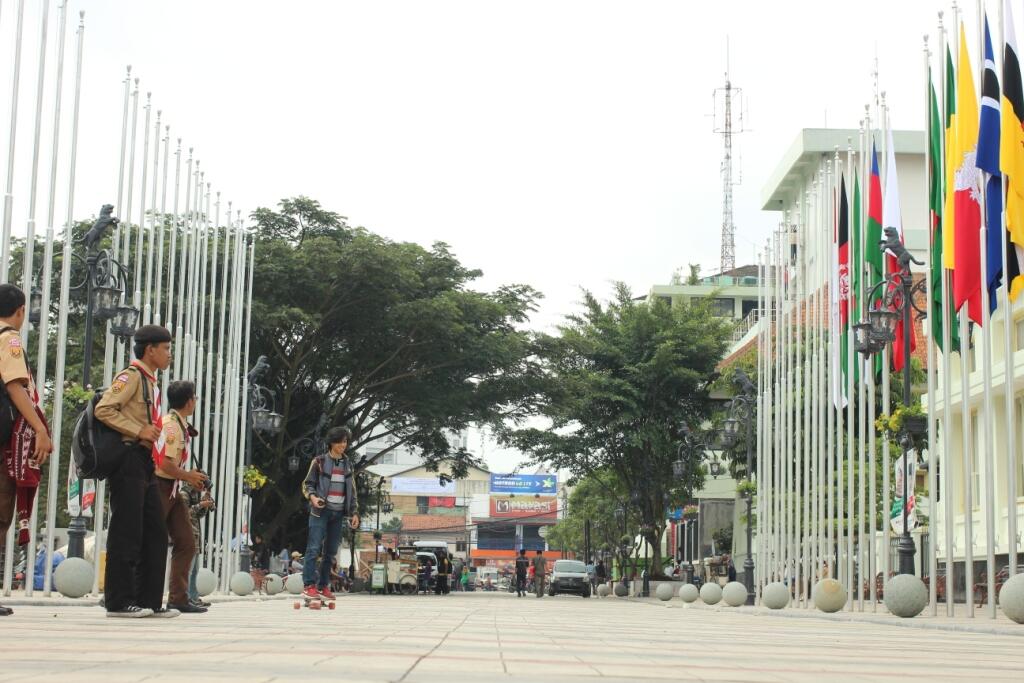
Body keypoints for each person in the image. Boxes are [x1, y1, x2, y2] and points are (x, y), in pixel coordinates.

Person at [96, 324, 175, 618]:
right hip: (128, 458)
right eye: (166, 348)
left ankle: (149, 600)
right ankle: (118, 601)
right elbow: (103, 409)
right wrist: (138, 429)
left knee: (155, 530)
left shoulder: (149, 381)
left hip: (144, 462)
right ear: (150, 349)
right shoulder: (130, 376)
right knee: (126, 530)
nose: (169, 354)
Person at [0, 285, 52, 616]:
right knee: (1, 512)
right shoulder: (10, 339)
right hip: (4, 438)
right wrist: (39, 428)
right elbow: (15, 386)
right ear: (20, 311)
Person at [155, 380, 208, 614]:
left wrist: (187, 477)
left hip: (174, 487)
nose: (195, 401)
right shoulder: (171, 427)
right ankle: (142, 592)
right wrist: (189, 476)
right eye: (195, 398)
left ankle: (178, 597)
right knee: (153, 540)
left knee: (186, 541)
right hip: (161, 485)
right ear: (189, 401)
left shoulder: (179, 424)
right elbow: (164, 464)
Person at [300, 426, 359, 602]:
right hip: (320, 511)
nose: (343, 445)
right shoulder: (319, 461)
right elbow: (307, 484)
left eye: (346, 442)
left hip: (338, 514)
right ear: (332, 443)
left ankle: (323, 585)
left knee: (330, 552)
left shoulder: (348, 464)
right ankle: (309, 586)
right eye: (340, 441)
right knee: (313, 548)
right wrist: (313, 498)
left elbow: (353, 491)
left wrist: (354, 512)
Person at [180, 481, 214, 608]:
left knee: (194, 571)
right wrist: (200, 504)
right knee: (188, 571)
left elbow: (198, 515)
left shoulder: (194, 494)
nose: (203, 488)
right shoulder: (184, 493)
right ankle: (186, 598)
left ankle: (193, 598)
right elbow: (184, 513)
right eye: (202, 483)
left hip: (195, 537)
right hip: (187, 536)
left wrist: (204, 505)